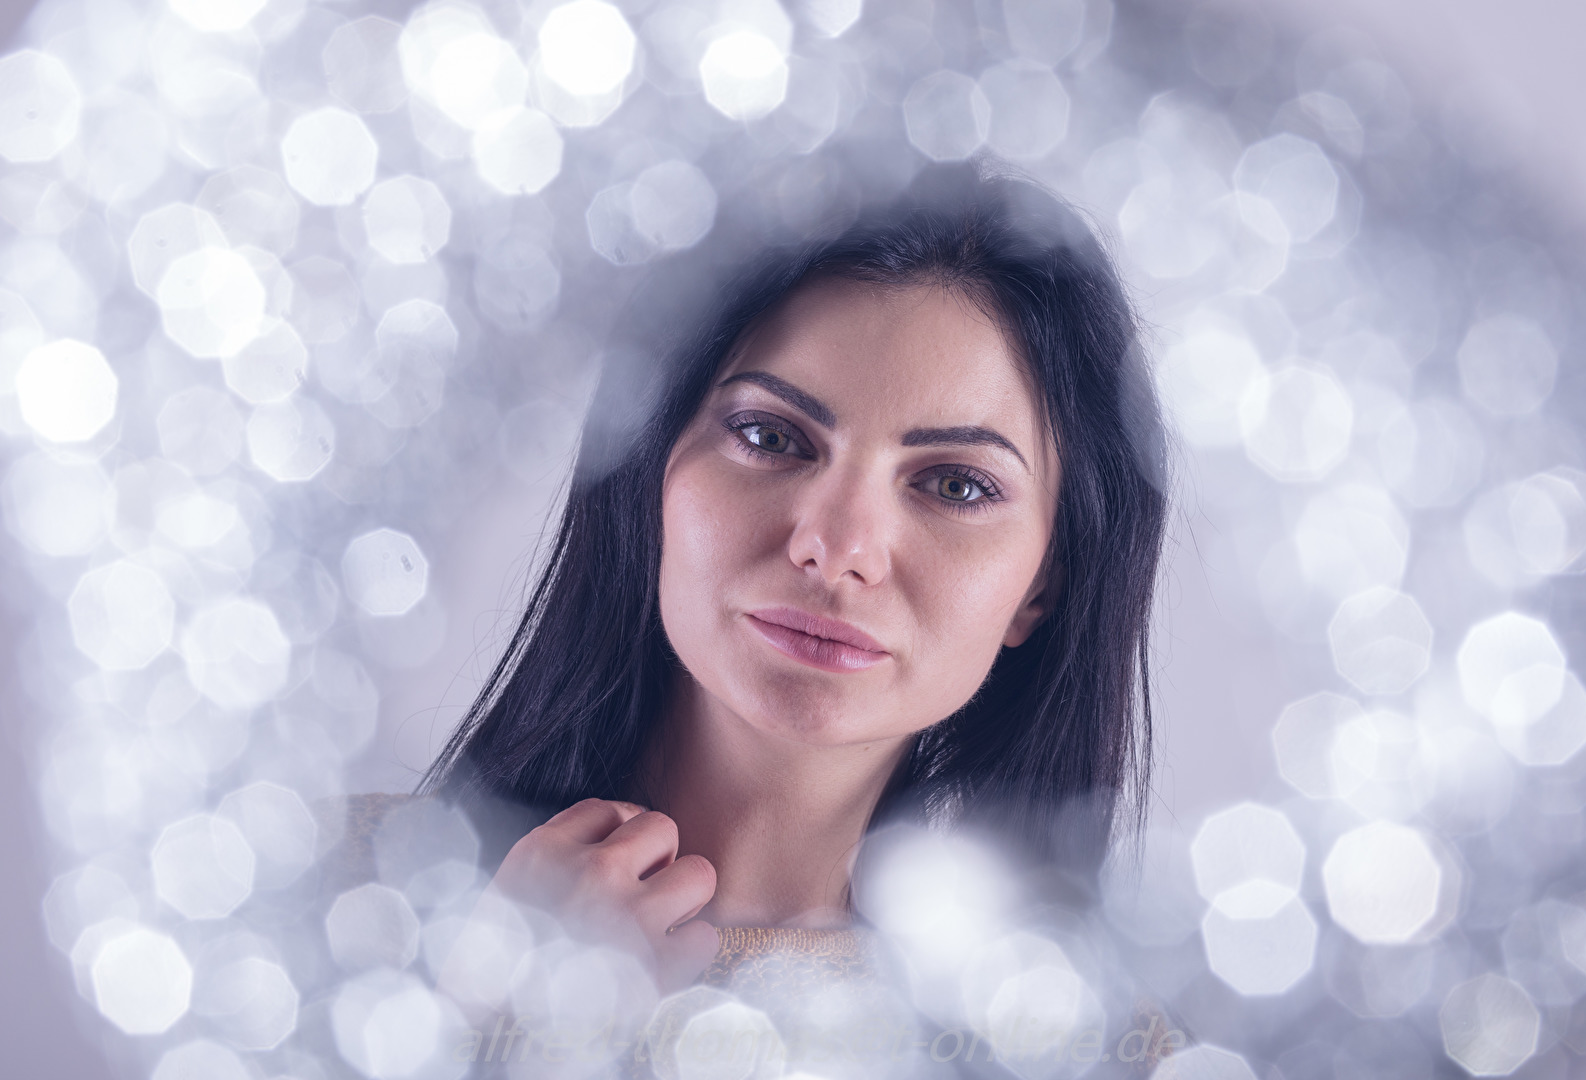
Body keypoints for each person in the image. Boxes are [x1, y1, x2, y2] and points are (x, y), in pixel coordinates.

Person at [396, 161, 1168, 1019]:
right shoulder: (314, 897)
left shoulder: (1082, 1046)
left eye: (955, 486)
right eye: (769, 436)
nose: (836, 550)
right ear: (649, 468)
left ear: (1040, 588)